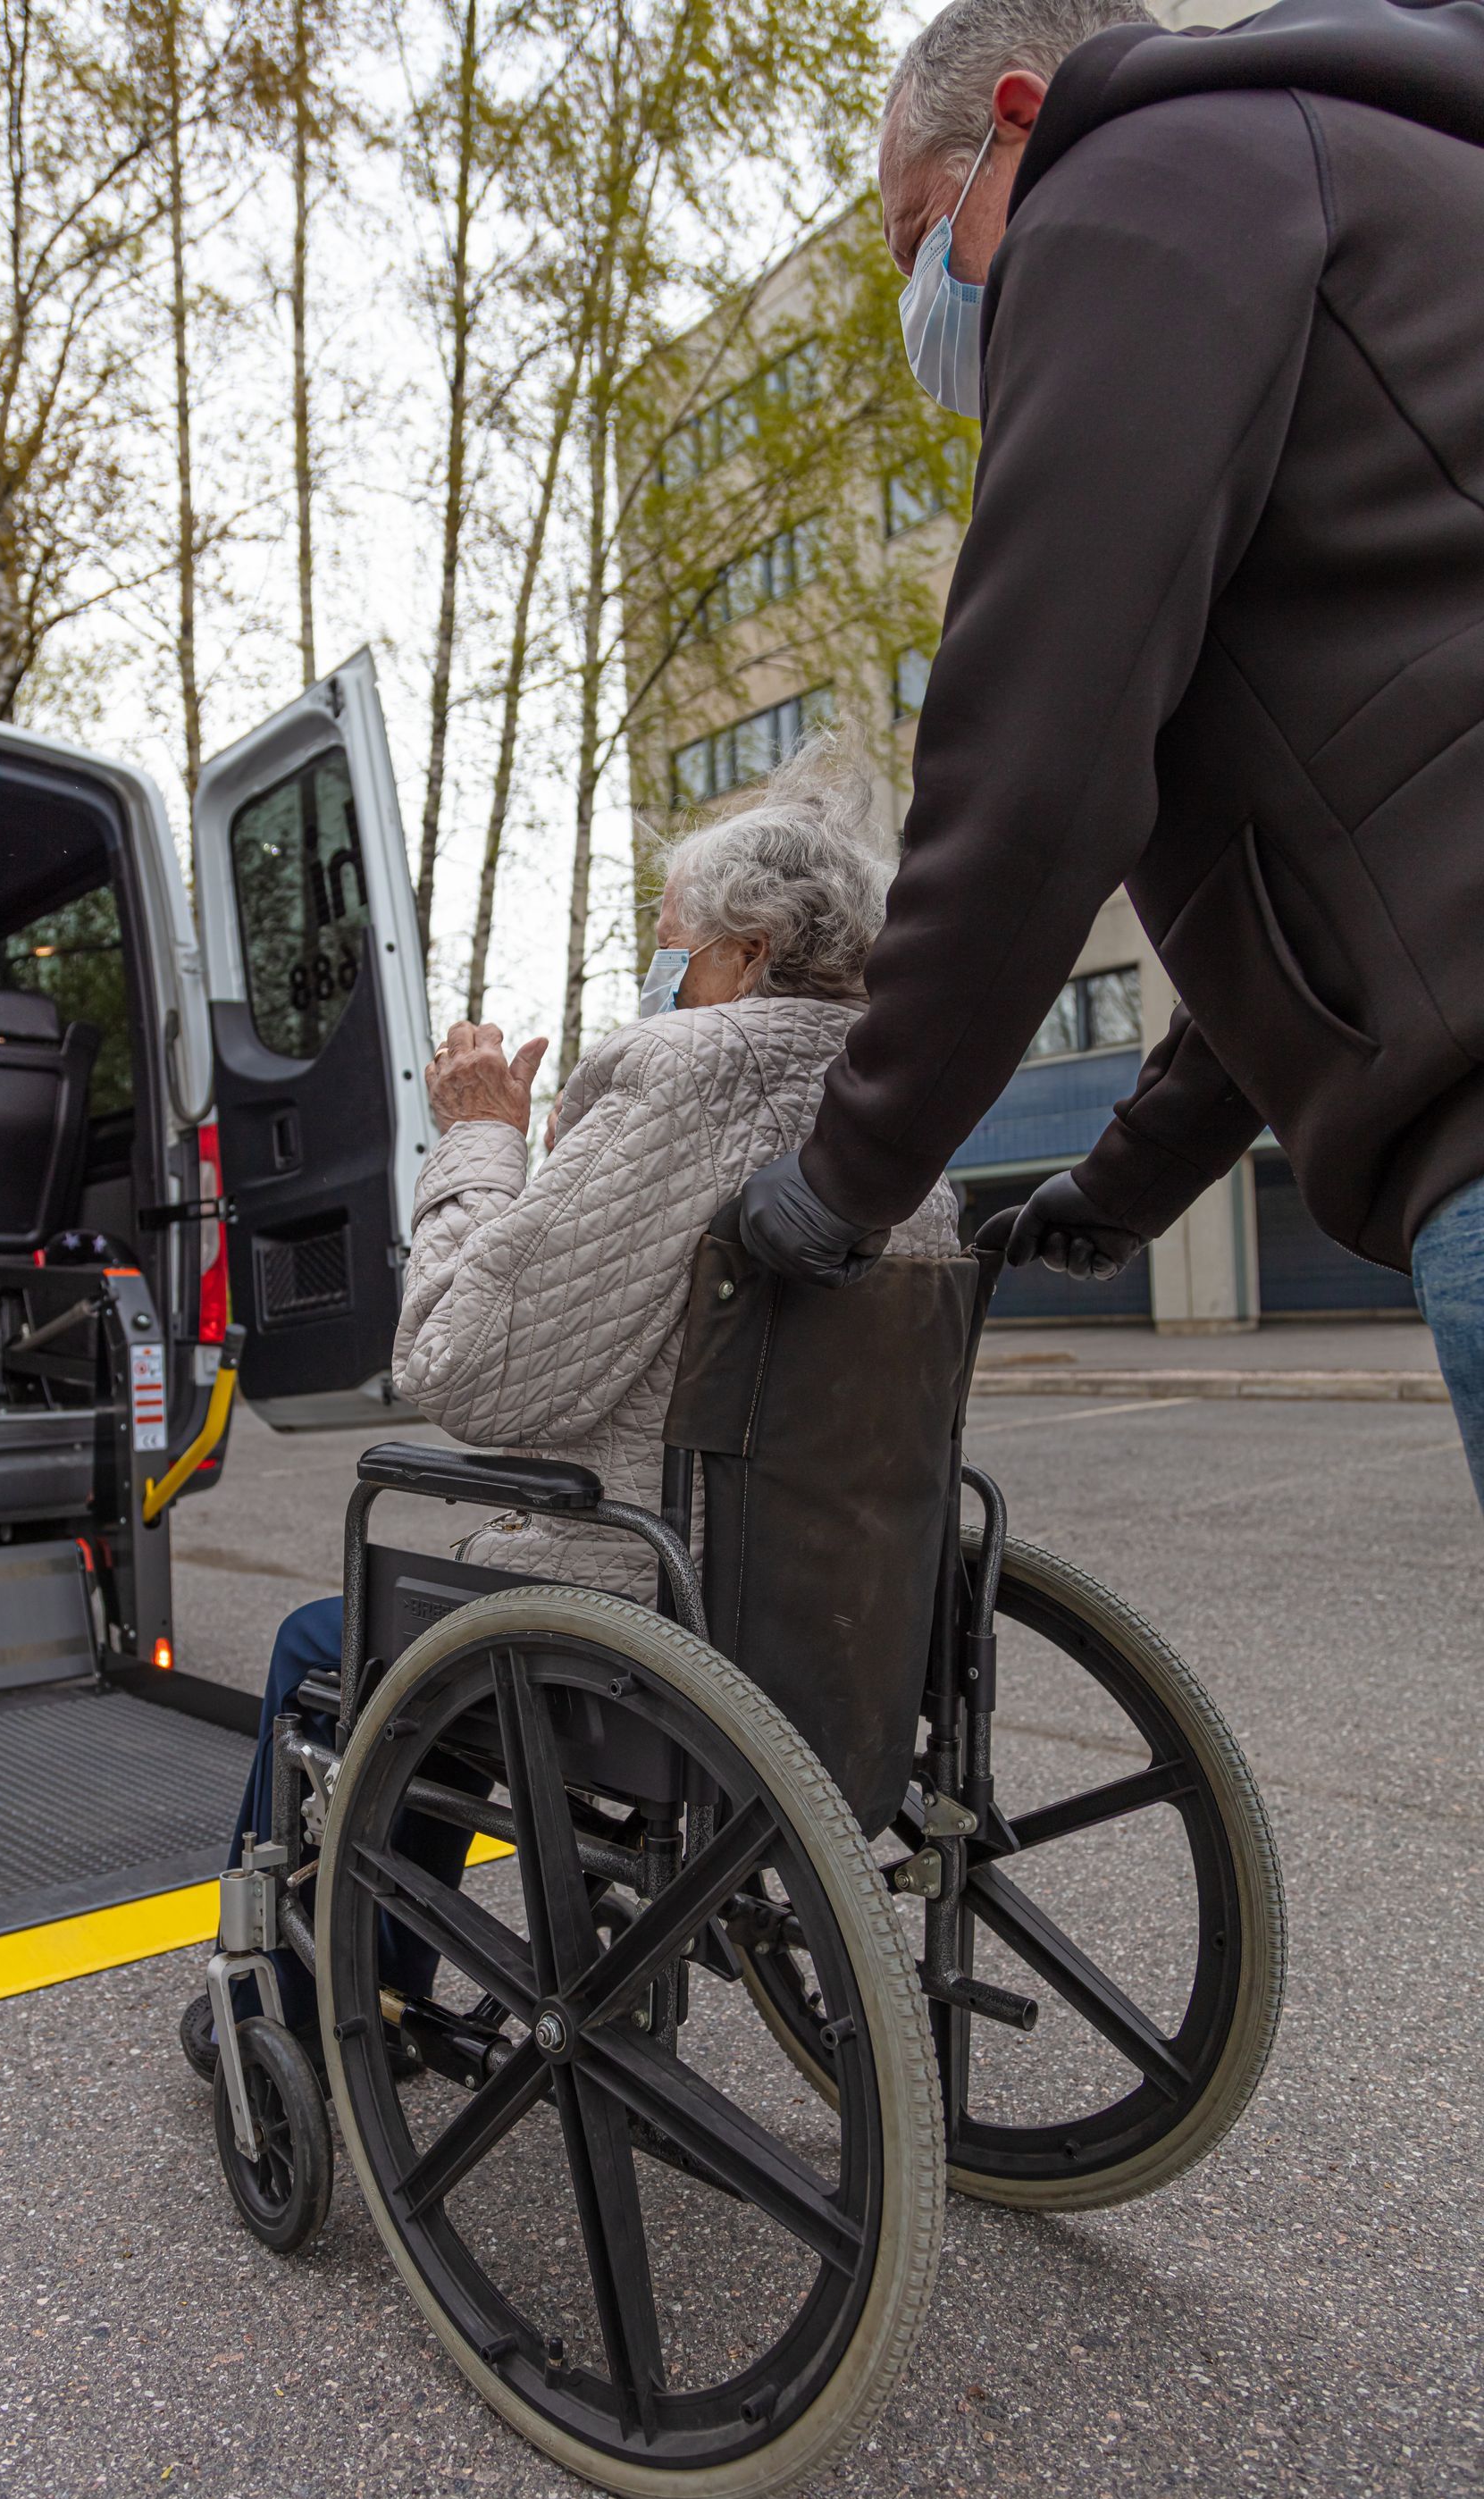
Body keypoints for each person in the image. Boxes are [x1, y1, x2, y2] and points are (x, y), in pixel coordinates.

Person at [737, 0, 1484, 1506]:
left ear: (1021, 116)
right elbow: (1349, 877)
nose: (924, 304)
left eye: (914, 243)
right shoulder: (1348, 186)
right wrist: (1128, 1179)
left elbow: (1034, 762)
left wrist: (842, 1178)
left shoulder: (1144, 184)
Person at [209, 739, 960, 2040]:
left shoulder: (684, 1077)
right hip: (857, 1614)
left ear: (750, 954)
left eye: (672, 944)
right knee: (427, 1618)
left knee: (325, 1649)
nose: (658, 969)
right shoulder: (898, 1099)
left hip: (656, 1617)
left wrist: (485, 1135)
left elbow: (461, 1369)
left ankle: (303, 1999)